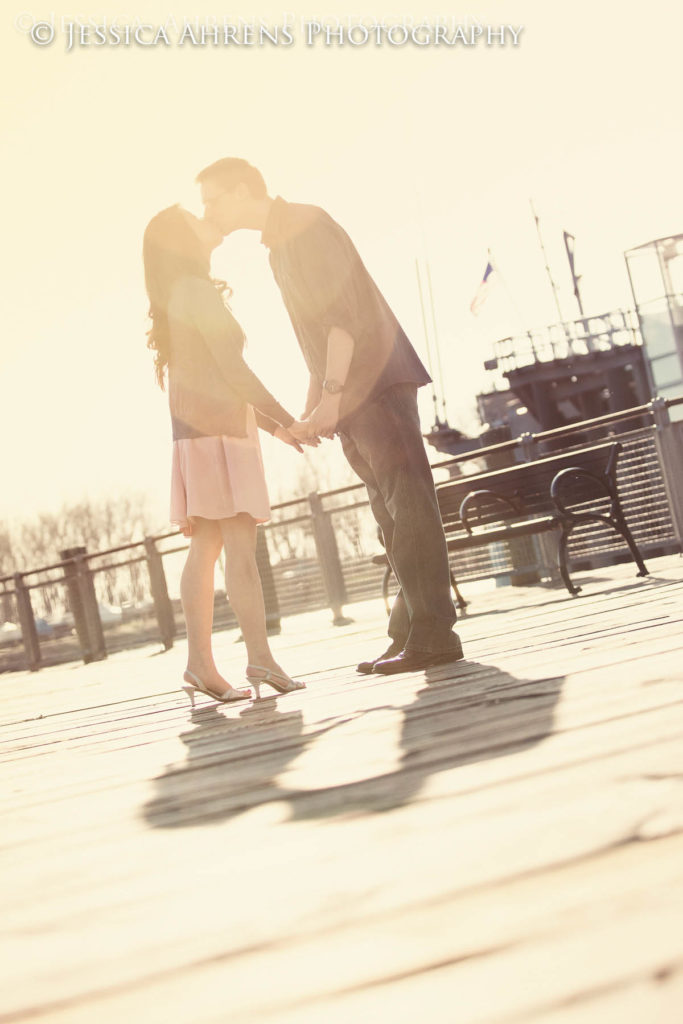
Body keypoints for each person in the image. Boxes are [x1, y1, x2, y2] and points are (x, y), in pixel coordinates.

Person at [196, 159, 464, 675]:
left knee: (408, 507)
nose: (209, 211)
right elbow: (318, 337)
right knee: (390, 517)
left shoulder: (304, 226)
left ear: (242, 191)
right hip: (355, 392)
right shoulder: (280, 245)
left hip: (376, 384)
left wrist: (333, 396)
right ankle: (409, 632)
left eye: (213, 200)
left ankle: (435, 637)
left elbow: (343, 319)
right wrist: (314, 402)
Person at [142, 205, 310, 704]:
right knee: (237, 548)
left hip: (198, 433)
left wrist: (272, 427)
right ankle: (257, 657)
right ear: (182, 241)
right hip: (220, 434)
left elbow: (212, 373)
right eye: (193, 216)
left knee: (211, 544)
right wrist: (282, 419)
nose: (205, 218)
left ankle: (203, 665)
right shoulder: (194, 292)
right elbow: (232, 371)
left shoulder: (180, 294)